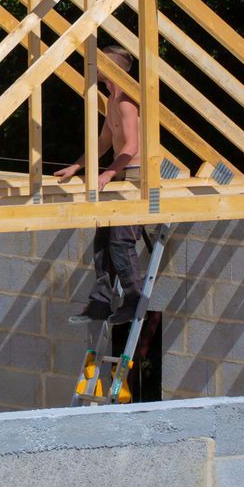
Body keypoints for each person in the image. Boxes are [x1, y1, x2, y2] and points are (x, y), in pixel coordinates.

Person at [52, 43, 143, 323]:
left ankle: (134, 300)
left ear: (112, 67)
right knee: (103, 241)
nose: (93, 67)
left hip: (136, 176)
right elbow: (105, 142)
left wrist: (108, 174)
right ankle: (100, 303)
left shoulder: (128, 98)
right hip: (120, 174)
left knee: (121, 241)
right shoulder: (111, 99)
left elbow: (132, 145)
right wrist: (77, 167)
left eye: (99, 62)